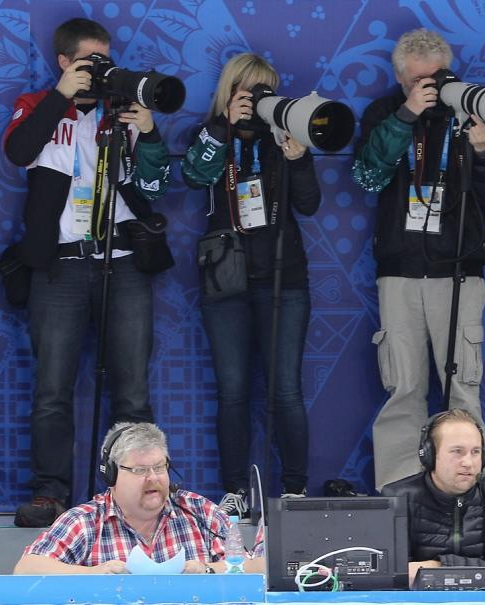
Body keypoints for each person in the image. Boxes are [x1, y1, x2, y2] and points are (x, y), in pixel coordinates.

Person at [2, 17, 172, 527]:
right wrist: (61, 95)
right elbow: (17, 151)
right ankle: (50, 492)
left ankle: (137, 495)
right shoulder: (37, 105)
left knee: (132, 390)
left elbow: (157, 183)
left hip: (122, 264)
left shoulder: (122, 109)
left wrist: (149, 130)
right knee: (52, 388)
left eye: (106, 61)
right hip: (61, 263)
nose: (100, 71)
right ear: (63, 61)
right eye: (89, 62)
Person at [352, 29, 485, 490]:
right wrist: (406, 117)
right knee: (404, 388)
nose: (433, 88)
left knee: (463, 388)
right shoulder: (385, 113)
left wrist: (483, 149)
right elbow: (368, 177)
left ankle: (471, 490)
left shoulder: (469, 106)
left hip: (459, 269)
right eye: (420, 81)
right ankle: (400, 492)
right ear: (401, 79)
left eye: (438, 77)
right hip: (399, 273)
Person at [180, 52, 321, 513]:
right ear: (230, 90)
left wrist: (297, 158)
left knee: (285, 388)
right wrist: (224, 126)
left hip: (284, 276)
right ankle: (236, 490)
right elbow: (193, 174)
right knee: (233, 389)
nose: (259, 100)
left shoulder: (285, 130)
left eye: (267, 90)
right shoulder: (209, 132)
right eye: (250, 91)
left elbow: (310, 203)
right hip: (226, 280)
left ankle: (296, 488)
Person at [14, 423, 233, 574]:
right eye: (140, 470)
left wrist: (208, 570)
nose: (153, 478)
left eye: (159, 467)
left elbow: (253, 567)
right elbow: (26, 569)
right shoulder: (84, 522)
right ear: (111, 475)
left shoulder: (200, 511)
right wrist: (91, 573)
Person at [381, 410, 485, 585]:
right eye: (457, 451)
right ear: (430, 455)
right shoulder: (398, 499)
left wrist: (438, 566)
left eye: (475, 452)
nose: (468, 462)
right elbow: (395, 574)